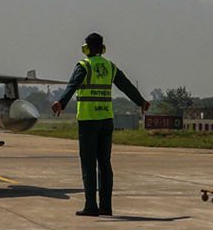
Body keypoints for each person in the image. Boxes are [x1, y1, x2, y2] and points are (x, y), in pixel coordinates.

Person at [51, 32, 148, 217]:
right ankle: (106, 207)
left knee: (88, 164)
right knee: (105, 163)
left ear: (86, 48)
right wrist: (141, 101)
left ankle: (91, 206)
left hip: (88, 121)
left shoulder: (84, 65)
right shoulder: (110, 66)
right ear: (102, 48)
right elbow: (125, 85)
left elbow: (72, 85)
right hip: (106, 119)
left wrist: (61, 103)